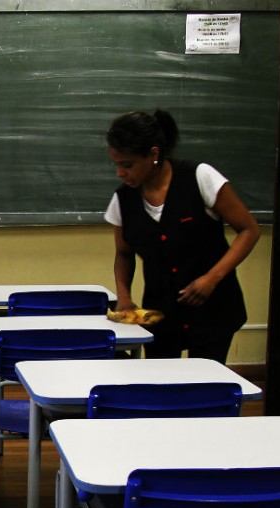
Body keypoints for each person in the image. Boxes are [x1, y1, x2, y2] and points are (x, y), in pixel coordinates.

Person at [104, 109, 260, 364]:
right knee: (162, 381)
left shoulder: (200, 177)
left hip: (213, 307)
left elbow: (249, 230)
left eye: (128, 165)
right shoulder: (122, 199)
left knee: (207, 379)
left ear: (153, 154)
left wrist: (212, 278)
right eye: (117, 165)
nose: (120, 173)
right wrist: (124, 296)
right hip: (161, 312)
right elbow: (124, 253)